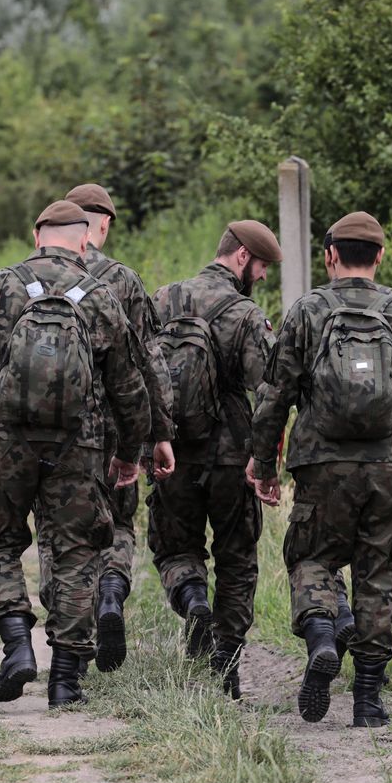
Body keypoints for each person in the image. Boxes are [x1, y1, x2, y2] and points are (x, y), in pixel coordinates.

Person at [0, 200, 152, 708]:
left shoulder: (3, 284)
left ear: (36, 235)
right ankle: (66, 678)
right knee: (75, 551)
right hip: (81, 445)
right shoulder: (99, 296)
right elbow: (128, 384)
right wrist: (130, 453)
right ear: (83, 240)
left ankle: (15, 646)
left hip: (6, 442)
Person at [247, 211, 392, 726]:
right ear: (379, 256)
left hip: (321, 462)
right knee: (378, 572)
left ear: (329, 255)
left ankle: (319, 636)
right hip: (390, 464)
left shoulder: (308, 311)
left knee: (312, 557)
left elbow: (274, 397)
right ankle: (369, 702)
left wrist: (264, 464)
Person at [34, 182, 175, 673]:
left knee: (58, 529)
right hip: (117, 430)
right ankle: (111, 592)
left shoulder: (35, 274)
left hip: (52, 430)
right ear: (105, 222)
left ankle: (69, 628)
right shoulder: (124, 280)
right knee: (115, 523)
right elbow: (149, 362)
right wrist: (159, 434)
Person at [146, 220, 280, 699]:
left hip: (172, 453)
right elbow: (269, 389)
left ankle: (192, 598)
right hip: (231, 457)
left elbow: (135, 376)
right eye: (262, 266)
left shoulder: (161, 300)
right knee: (237, 559)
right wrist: (264, 460)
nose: (263, 276)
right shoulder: (245, 314)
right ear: (242, 256)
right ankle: (226, 658)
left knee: (175, 548)